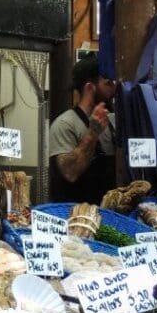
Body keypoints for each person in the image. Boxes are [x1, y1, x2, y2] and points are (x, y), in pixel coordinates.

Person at [48, 54, 117, 203]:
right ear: (90, 88)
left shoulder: (113, 121)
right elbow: (70, 172)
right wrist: (92, 133)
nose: (114, 88)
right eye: (108, 83)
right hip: (75, 217)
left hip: (109, 218)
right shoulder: (65, 124)